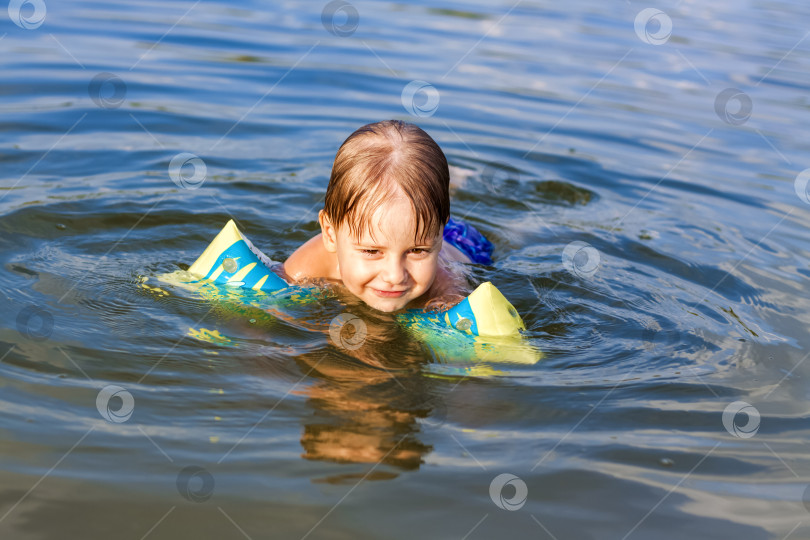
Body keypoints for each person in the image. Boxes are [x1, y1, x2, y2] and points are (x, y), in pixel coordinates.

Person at [283, 120, 493, 313]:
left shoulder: (447, 285)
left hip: (463, 242)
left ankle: (454, 185)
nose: (395, 276)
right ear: (330, 234)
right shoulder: (309, 263)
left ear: (438, 237)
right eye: (371, 251)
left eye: (417, 251)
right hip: (421, 226)